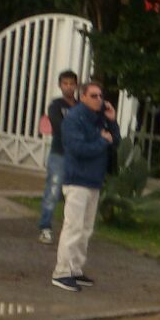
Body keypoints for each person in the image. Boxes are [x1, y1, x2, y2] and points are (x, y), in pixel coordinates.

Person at [51, 82, 118, 293]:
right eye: (94, 95)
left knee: (86, 229)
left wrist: (112, 122)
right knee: (73, 227)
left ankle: (75, 269)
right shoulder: (73, 119)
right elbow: (78, 148)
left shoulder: (99, 119)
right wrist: (101, 141)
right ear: (83, 97)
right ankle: (62, 272)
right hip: (77, 180)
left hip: (93, 181)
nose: (99, 99)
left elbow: (115, 141)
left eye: (101, 95)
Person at [37, 70, 79, 244]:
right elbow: (59, 126)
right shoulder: (56, 105)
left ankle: (71, 232)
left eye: (71, 83)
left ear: (76, 85)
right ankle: (45, 227)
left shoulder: (81, 106)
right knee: (53, 191)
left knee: (75, 195)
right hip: (60, 154)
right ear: (60, 85)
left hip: (78, 156)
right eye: (65, 83)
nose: (68, 87)